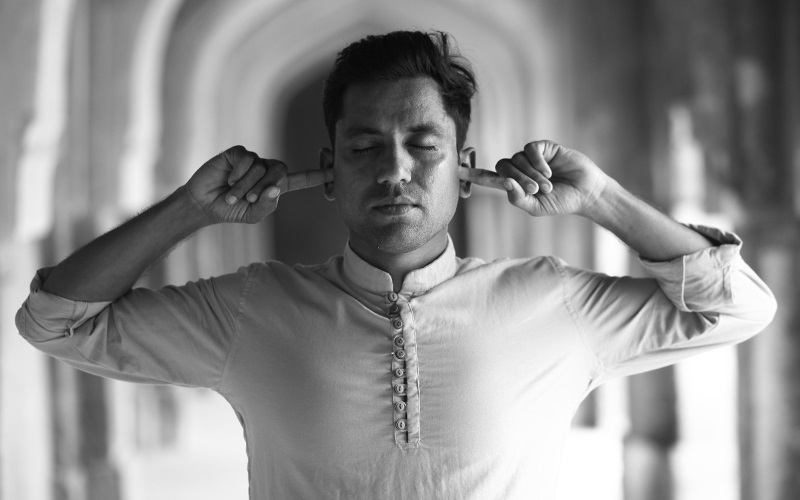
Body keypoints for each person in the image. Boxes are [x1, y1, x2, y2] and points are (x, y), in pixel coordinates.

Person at [17, 30, 776, 499]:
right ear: (329, 170)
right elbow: (55, 322)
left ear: (466, 169)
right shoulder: (254, 309)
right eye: (364, 148)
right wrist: (190, 208)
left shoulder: (553, 304)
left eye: (423, 146)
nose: (394, 171)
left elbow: (740, 306)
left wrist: (603, 198)